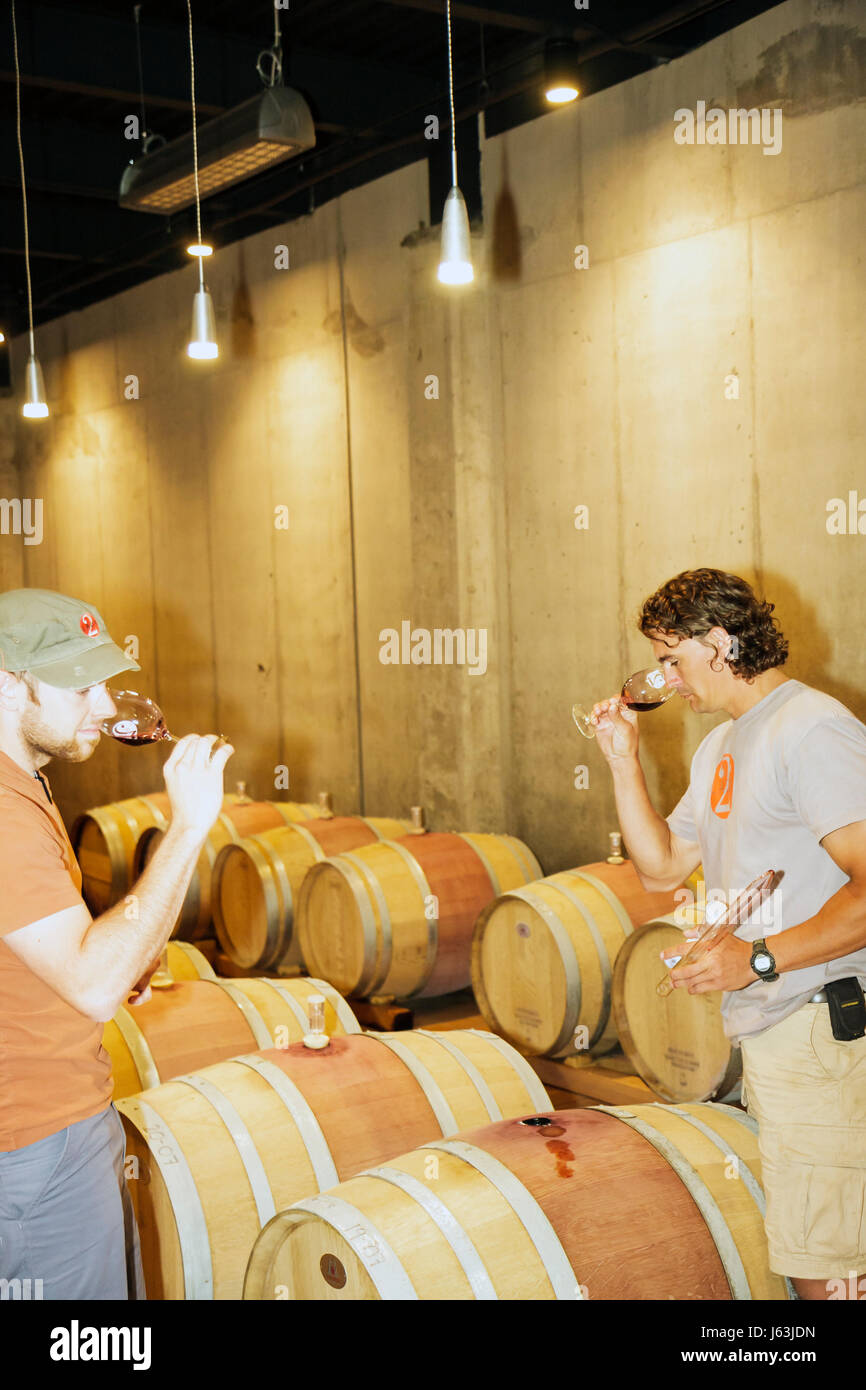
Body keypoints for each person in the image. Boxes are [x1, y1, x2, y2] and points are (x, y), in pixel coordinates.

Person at [589, 568, 866, 1302]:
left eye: (671, 659)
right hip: (777, 1026)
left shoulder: (810, 728)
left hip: (821, 1025)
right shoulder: (722, 748)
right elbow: (658, 867)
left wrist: (760, 958)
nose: (665, 679)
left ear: (719, 642)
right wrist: (622, 758)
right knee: (817, 1247)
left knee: (826, 1265)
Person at [0, 588, 233, 1299]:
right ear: (8, 684)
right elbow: (94, 984)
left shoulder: (23, 786)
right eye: (81, 684)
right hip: (38, 1143)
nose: (105, 707)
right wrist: (189, 826)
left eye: (106, 682)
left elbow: (59, 960)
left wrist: (117, 952)